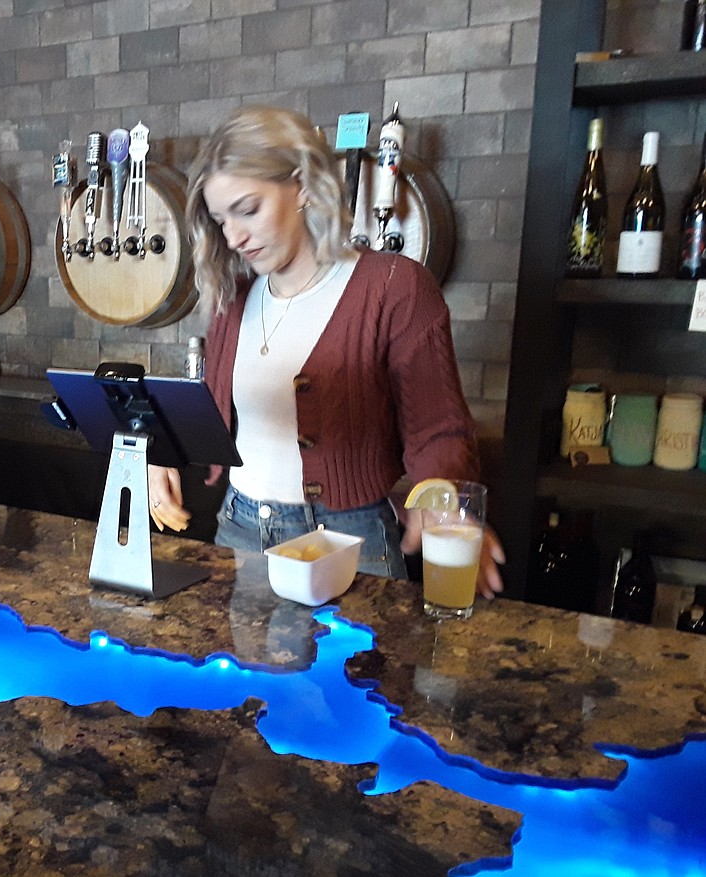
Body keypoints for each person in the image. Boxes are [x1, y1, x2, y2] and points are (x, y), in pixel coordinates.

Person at [147, 105, 503, 599]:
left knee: (355, 679)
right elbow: (215, 409)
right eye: (221, 218)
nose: (233, 236)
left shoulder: (393, 288)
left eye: (248, 209)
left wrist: (446, 505)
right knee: (244, 679)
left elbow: (438, 427)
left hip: (347, 543)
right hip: (240, 530)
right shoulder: (235, 297)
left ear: (304, 186)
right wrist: (160, 451)